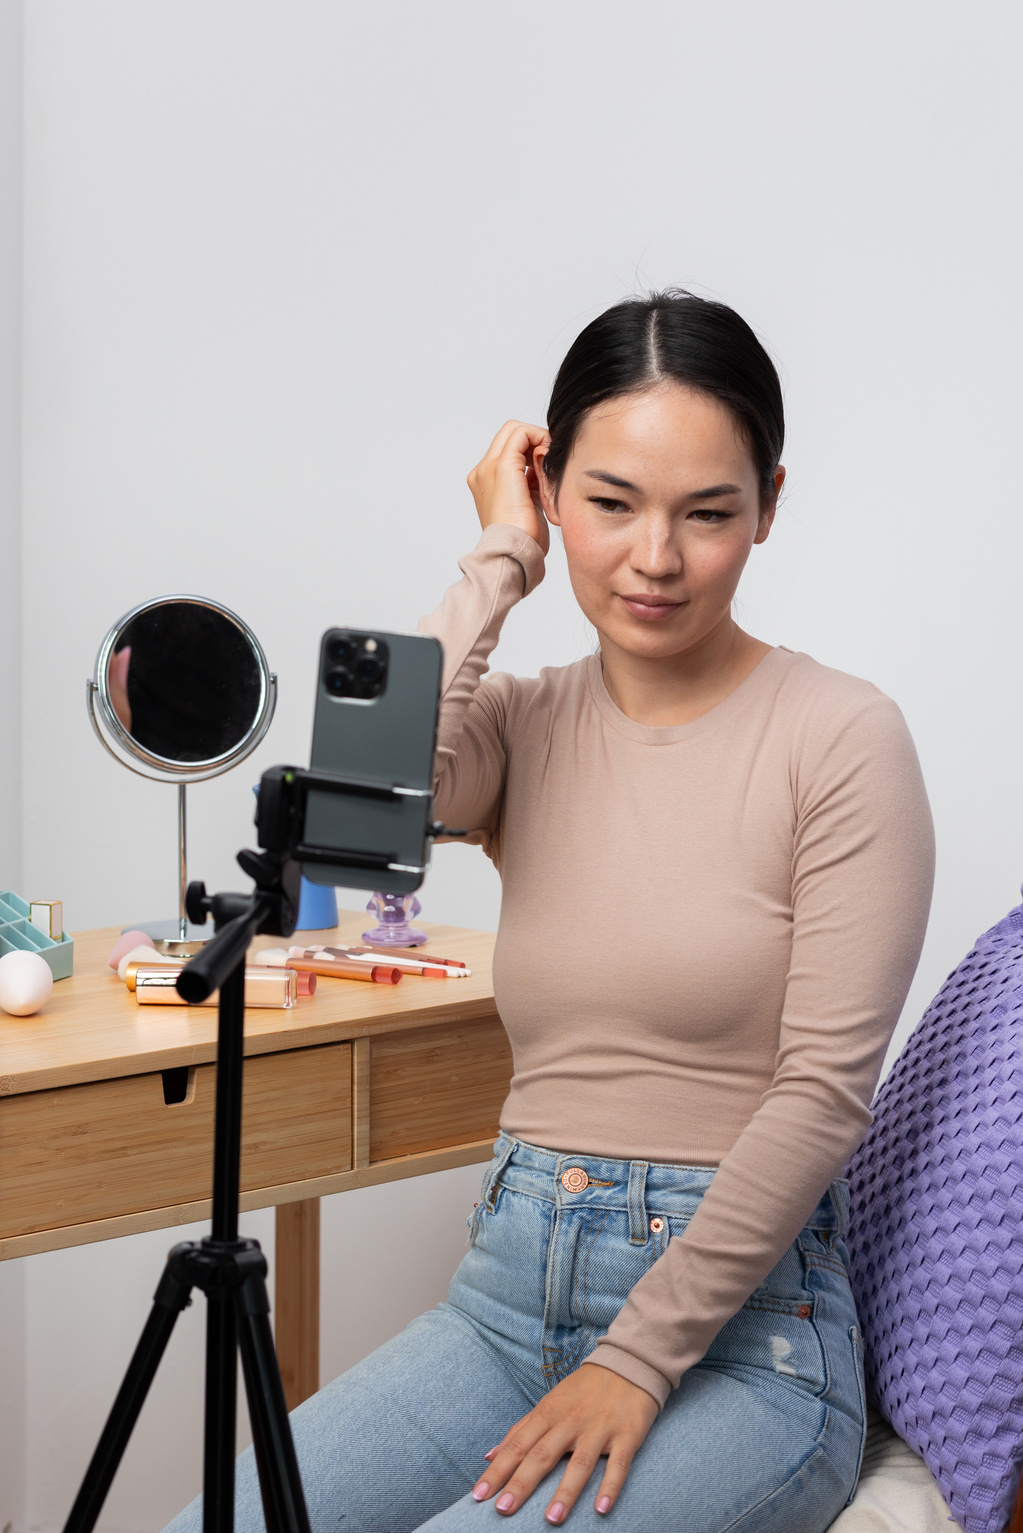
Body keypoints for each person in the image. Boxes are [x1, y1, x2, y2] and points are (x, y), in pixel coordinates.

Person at [165, 291, 934, 1532]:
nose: (655, 558)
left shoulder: (842, 738)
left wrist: (635, 1361)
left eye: (708, 513)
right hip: (500, 1308)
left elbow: (823, 1095)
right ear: (551, 490)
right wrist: (498, 557)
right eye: (611, 502)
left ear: (770, 507)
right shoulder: (523, 726)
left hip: (747, 1350)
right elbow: (355, 806)